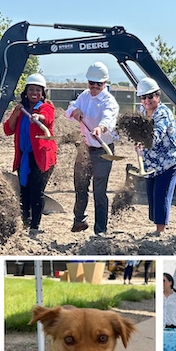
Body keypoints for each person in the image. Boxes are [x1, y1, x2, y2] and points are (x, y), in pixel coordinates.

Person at [66, 62, 119, 236]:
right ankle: (80, 220)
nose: (95, 87)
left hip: (103, 151)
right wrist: (74, 111)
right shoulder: (85, 95)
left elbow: (108, 119)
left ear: (105, 83)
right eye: (92, 83)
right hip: (85, 148)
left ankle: (100, 230)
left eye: (99, 84)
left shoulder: (109, 101)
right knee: (80, 185)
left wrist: (100, 128)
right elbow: (70, 108)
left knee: (99, 191)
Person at [4, 73, 57, 231]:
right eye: (31, 90)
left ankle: (35, 225)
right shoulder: (20, 109)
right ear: (25, 92)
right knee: (24, 191)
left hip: (42, 157)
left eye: (38, 90)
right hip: (24, 157)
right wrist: (16, 113)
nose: (34, 93)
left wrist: (39, 117)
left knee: (36, 192)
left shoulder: (46, 107)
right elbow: (8, 130)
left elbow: (47, 118)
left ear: (42, 93)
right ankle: (24, 222)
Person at [135, 78, 176, 234]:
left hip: (168, 160)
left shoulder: (163, 114)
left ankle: (160, 231)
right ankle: (156, 225)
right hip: (151, 162)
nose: (147, 100)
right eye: (143, 97)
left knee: (160, 194)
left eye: (151, 96)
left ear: (158, 96)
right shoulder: (142, 112)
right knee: (151, 194)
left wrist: (144, 141)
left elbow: (157, 135)